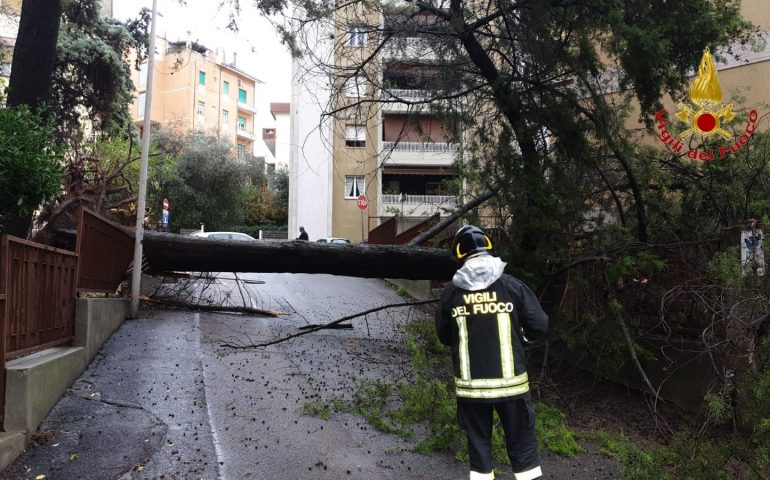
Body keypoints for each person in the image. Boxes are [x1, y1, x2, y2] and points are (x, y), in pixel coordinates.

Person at [435, 225, 549, 480]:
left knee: (479, 454)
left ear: (460, 254)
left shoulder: (452, 293)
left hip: (472, 390)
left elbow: (443, 336)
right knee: (523, 449)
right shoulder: (511, 286)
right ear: (488, 247)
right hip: (512, 389)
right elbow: (540, 325)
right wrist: (523, 338)